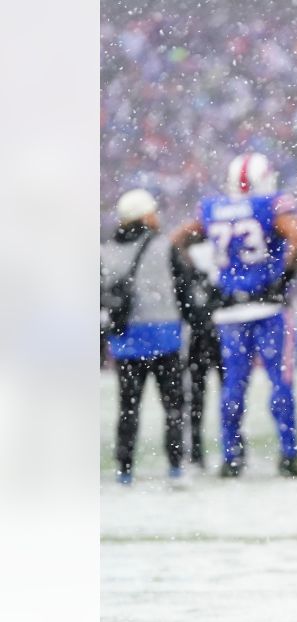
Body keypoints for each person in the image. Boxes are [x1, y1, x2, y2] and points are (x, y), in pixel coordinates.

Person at [172, 152, 297, 478]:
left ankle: (232, 456)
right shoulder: (271, 205)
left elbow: (177, 241)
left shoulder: (213, 209)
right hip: (267, 309)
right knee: (280, 384)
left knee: (233, 387)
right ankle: (289, 454)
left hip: (230, 313)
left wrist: (200, 278)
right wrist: (283, 278)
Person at [100, 189, 188, 488]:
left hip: (126, 342)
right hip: (164, 339)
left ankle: (125, 469)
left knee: (128, 409)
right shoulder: (164, 247)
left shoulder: (106, 250)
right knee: (173, 407)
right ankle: (176, 466)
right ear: (145, 215)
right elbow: (185, 291)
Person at [172, 237, 223, 468]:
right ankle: (224, 447)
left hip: (201, 339)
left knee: (198, 397)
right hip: (211, 338)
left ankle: (199, 449)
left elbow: (186, 308)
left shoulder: (194, 278)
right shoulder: (211, 277)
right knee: (211, 396)